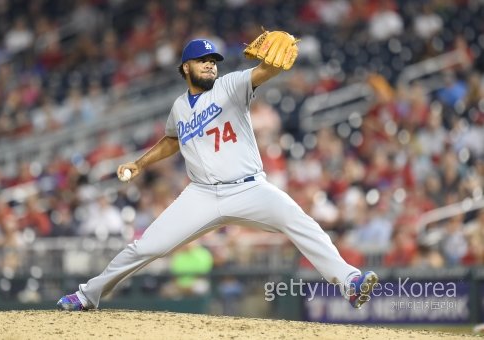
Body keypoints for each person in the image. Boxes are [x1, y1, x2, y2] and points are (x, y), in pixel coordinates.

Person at [57, 34, 379, 311]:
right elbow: (172, 139)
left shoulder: (231, 84)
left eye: (213, 60)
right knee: (145, 248)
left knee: (300, 221)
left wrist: (276, 63)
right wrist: (140, 164)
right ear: (186, 67)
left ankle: (350, 281)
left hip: (249, 189)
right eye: (202, 60)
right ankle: (88, 296)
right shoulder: (179, 108)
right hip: (201, 195)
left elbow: (265, 71)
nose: (211, 64)